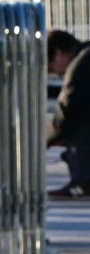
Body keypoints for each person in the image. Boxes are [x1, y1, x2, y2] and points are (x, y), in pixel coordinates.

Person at [47, 30, 90, 199]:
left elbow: (65, 119)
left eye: (52, 68)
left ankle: (83, 182)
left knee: (76, 130)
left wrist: (43, 141)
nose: (58, 74)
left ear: (58, 53)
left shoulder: (78, 67)